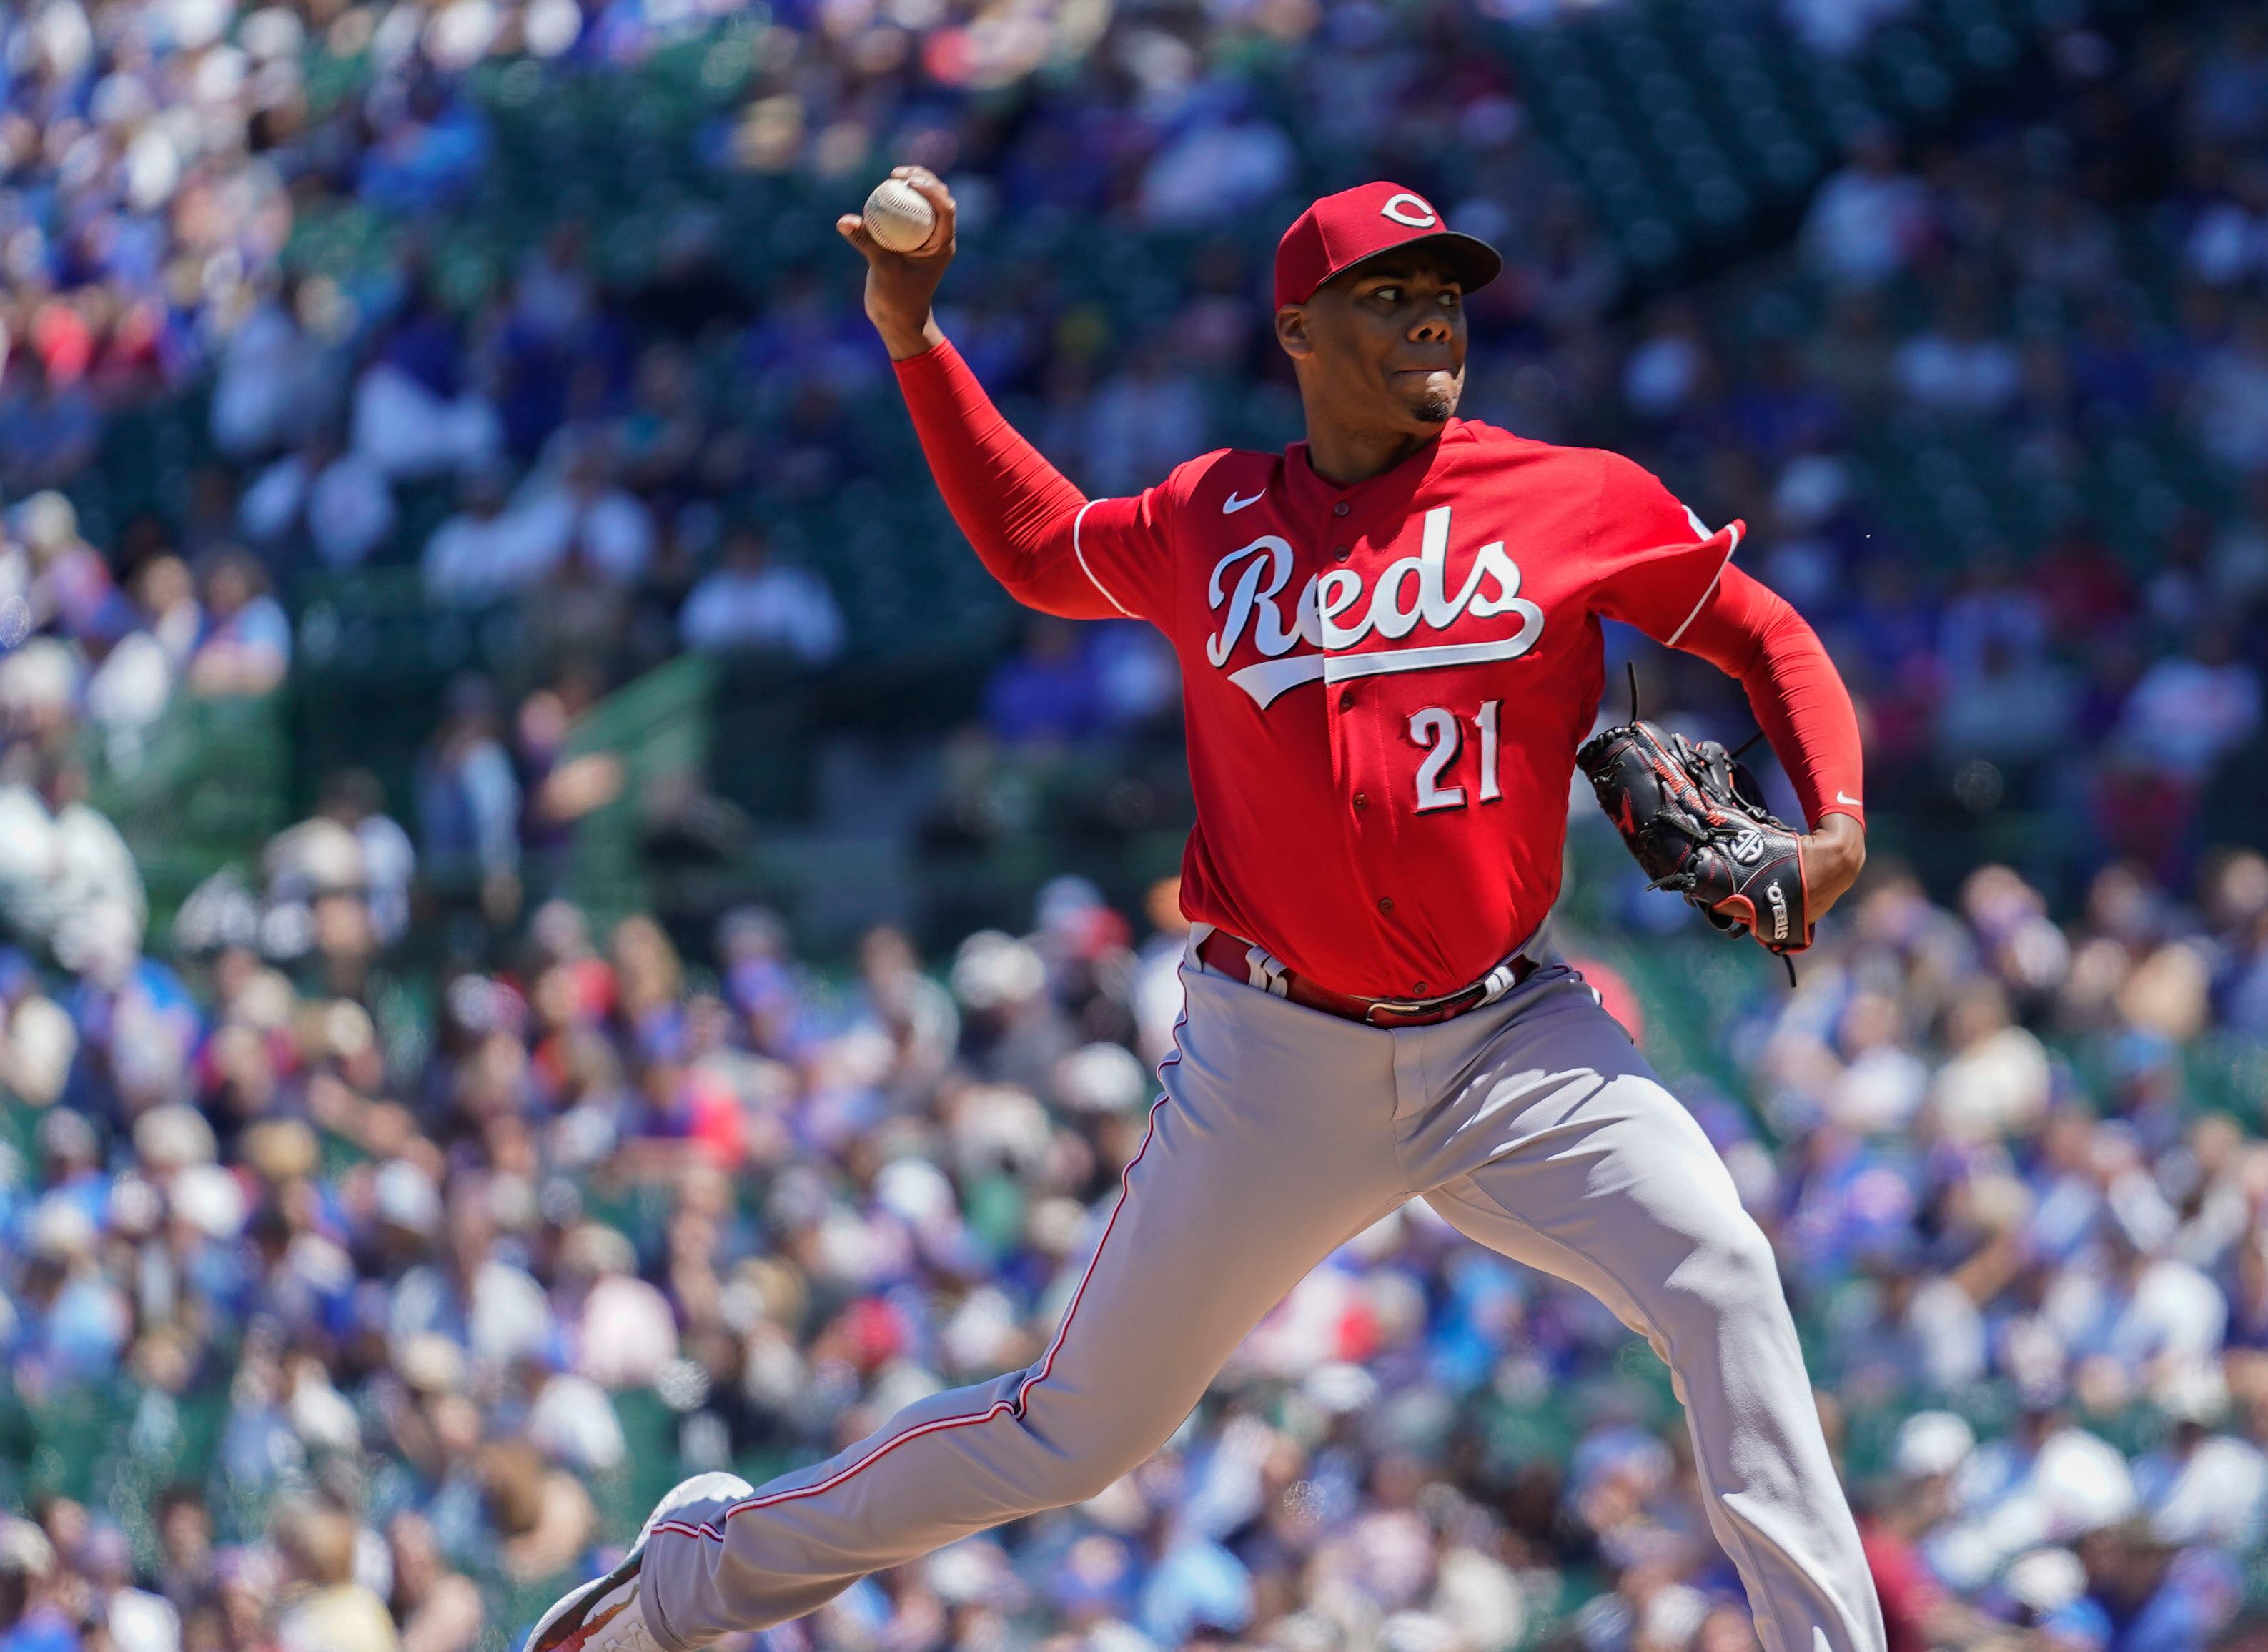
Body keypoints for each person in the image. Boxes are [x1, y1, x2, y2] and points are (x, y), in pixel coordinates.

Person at [531, 172, 1880, 1652]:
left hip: (1513, 1043)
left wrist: (1836, 824)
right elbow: (1038, 546)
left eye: (1444, 294)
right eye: (1389, 295)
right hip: (1277, 1060)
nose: (1433, 318)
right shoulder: (1213, 516)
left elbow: (1762, 632)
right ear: (1297, 330)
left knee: (1723, 1272)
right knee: (1074, 1433)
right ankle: (689, 1576)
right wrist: (918, 342)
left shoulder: (1568, 496)